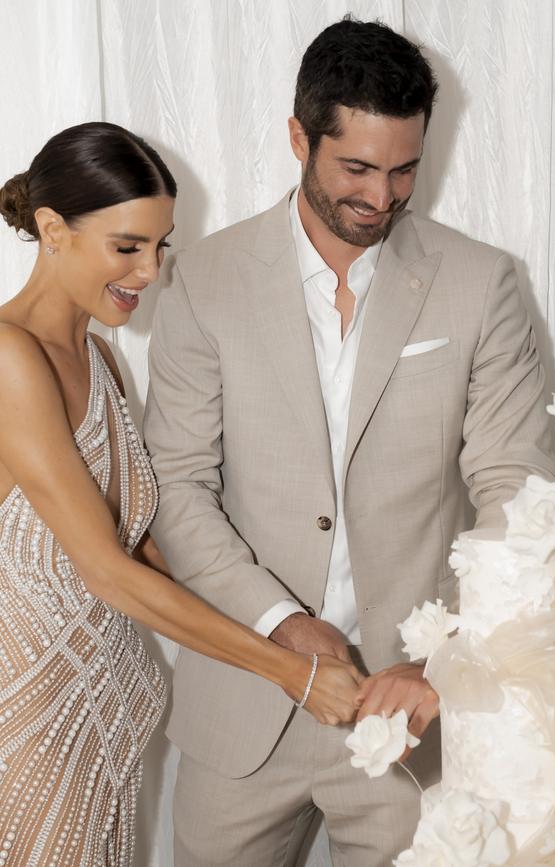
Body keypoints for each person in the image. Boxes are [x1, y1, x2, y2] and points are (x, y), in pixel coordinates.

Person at [144, 16, 555, 867]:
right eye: (357, 169)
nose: (383, 196)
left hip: (414, 712)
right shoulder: (202, 282)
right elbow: (178, 487)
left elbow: (518, 486)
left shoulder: (482, 284)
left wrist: (442, 653)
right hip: (247, 700)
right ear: (299, 137)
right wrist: (282, 623)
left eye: (405, 169)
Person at [0, 121, 362, 867]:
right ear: (51, 229)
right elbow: (106, 569)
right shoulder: (7, 358)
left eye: (161, 245)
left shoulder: (100, 355)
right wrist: (292, 674)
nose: (152, 271)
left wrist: (283, 625)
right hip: (31, 723)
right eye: (128, 245)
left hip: (107, 713)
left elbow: (145, 543)